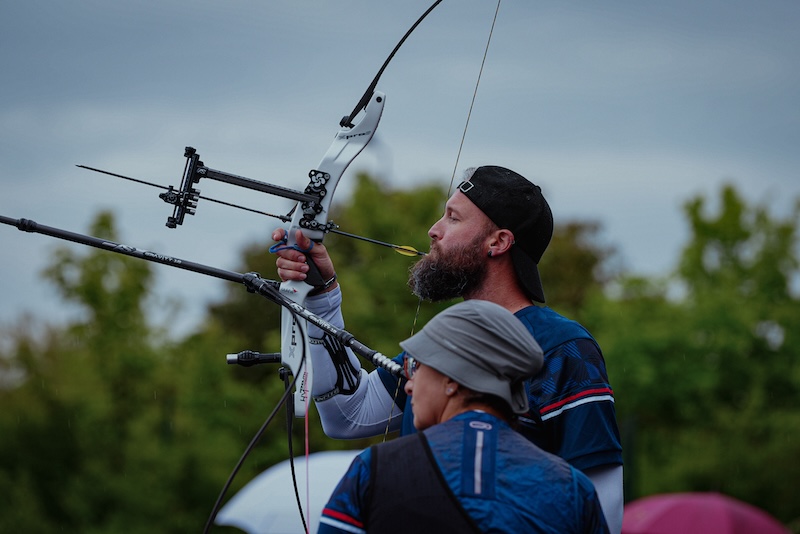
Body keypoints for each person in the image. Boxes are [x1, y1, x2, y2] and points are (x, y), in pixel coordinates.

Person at [273, 166, 624, 533]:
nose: (434, 230)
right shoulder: (445, 343)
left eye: (453, 218)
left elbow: (601, 506)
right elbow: (347, 414)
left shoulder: (564, 348)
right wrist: (323, 298)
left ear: (498, 242)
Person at [318, 300, 609, 534]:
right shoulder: (573, 489)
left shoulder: (376, 469)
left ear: (453, 379)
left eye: (416, 366)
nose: (408, 384)